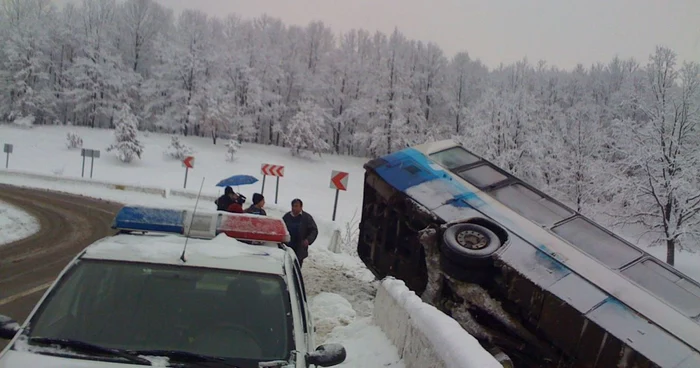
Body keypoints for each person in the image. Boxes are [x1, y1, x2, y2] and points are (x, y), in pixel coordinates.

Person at [282, 198, 318, 268]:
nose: (294, 208)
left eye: (296, 206)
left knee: (297, 267)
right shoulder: (287, 217)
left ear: (301, 207)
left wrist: (308, 240)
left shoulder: (306, 218)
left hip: (300, 248)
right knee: (286, 266)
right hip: (288, 246)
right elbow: (281, 227)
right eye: (293, 206)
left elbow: (314, 230)